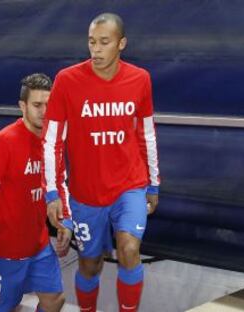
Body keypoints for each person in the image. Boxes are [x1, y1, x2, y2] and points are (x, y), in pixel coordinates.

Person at [42, 13, 160, 312]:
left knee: (129, 248)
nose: (96, 49)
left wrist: (154, 182)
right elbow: (52, 140)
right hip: (86, 193)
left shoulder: (140, 79)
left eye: (104, 42)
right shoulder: (67, 80)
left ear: (121, 43)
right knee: (90, 264)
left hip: (129, 185)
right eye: (91, 42)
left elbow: (146, 133)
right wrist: (54, 193)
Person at [0, 73, 72, 312]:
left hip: (38, 245)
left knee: (54, 300)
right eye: (37, 105)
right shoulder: (4, 142)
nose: (45, 111)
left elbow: (59, 182)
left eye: (49, 104)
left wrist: (65, 219)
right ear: (22, 106)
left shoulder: (53, 143)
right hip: (5, 250)